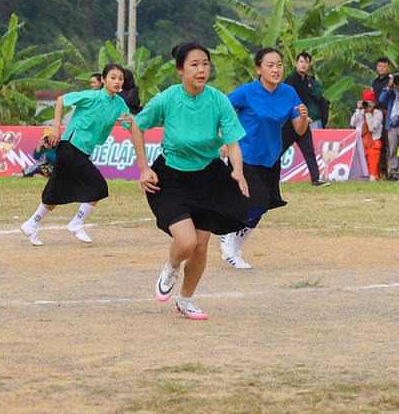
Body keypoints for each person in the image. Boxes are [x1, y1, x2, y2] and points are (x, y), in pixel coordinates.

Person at [132, 41, 269, 320]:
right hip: (170, 178)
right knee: (185, 244)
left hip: (209, 178)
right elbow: (138, 125)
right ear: (180, 70)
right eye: (194, 64)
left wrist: (238, 170)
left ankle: (185, 300)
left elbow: (232, 142)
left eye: (205, 63)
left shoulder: (218, 99)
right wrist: (144, 168)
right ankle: (171, 266)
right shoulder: (167, 99)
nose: (201, 69)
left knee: (201, 247)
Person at [20, 64, 133, 246]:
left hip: (83, 151)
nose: (117, 81)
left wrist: (136, 123)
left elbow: (131, 125)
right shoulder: (91, 96)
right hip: (70, 147)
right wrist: (56, 126)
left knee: (55, 193)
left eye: (120, 78)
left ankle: (31, 224)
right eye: (113, 77)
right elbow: (61, 100)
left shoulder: (119, 103)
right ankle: (76, 223)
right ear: (103, 80)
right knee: (99, 186)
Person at [221, 47, 312, 269]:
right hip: (245, 156)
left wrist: (303, 117)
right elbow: (220, 109)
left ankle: (233, 248)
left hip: (271, 157)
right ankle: (227, 238)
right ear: (258, 69)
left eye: (279, 64)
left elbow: (299, 130)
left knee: (264, 206)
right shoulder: (247, 92)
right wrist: (223, 139)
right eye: (270, 65)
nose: (276, 69)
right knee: (257, 202)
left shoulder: (289, 92)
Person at [283, 51, 329, 186]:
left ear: (309, 65)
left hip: (303, 122)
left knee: (309, 150)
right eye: (301, 62)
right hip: (290, 123)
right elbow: (287, 101)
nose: (303, 65)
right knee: (278, 150)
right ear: (296, 64)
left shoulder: (307, 81)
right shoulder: (291, 79)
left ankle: (315, 179)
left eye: (306, 62)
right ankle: (266, 175)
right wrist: (300, 115)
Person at [350, 89, 384, 181]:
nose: (367, 106)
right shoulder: (360, 112)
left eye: (370, 103)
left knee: (373, 152)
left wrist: (368, 114)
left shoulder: (378, 114)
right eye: (366, 103)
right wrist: (358, 110)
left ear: (374, 103)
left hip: (373, 142)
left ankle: (372, 175)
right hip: (360, 142)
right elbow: (352, 123)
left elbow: (372, 128)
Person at [371, 57, 392, 177]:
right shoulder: (375, 81)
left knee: (387, 140)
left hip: (388, 113)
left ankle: (388, 169)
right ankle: (379, 168)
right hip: (376, 113)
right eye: (379, 66)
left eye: (384, 66)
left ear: (388, 67)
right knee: (377, 140)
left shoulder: (391, 81)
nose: (382, 68)